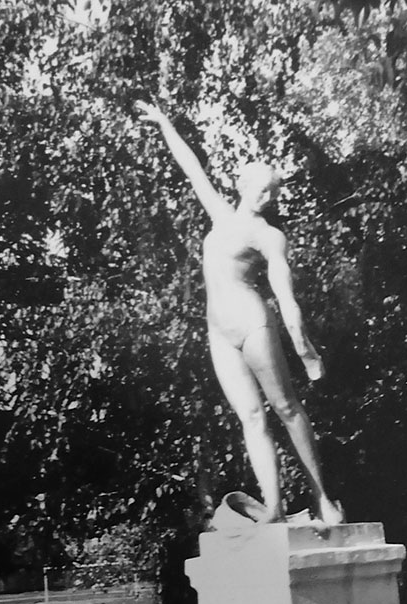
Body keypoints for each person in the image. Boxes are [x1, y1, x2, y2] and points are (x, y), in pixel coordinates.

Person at [136, 101, 344, 526]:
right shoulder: (220, 215)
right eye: (262, 187)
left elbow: (285, 293)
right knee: (251, 416)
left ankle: (323, 499)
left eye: (274, 191)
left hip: (253, 324)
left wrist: (302, 344)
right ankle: (274, 508)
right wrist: (165, 124)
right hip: (219, 331)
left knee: (286, 407)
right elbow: (192, 168)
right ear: (243, 184)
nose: (267, 196)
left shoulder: (269, 236)